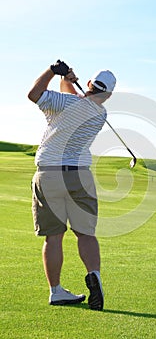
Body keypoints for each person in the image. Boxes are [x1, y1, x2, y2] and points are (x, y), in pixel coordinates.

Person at [28, 60, 116, 310]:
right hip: (79, 176)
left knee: (53, 238)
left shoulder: (64, 103)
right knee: (86, 234)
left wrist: (53, 71)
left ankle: (56, 291)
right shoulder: (100, 114)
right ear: (108, 95)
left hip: (49, 174)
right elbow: (77, 101)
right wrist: (66, 79)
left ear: (88, 84)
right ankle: (94, 275)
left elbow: (33, 94)